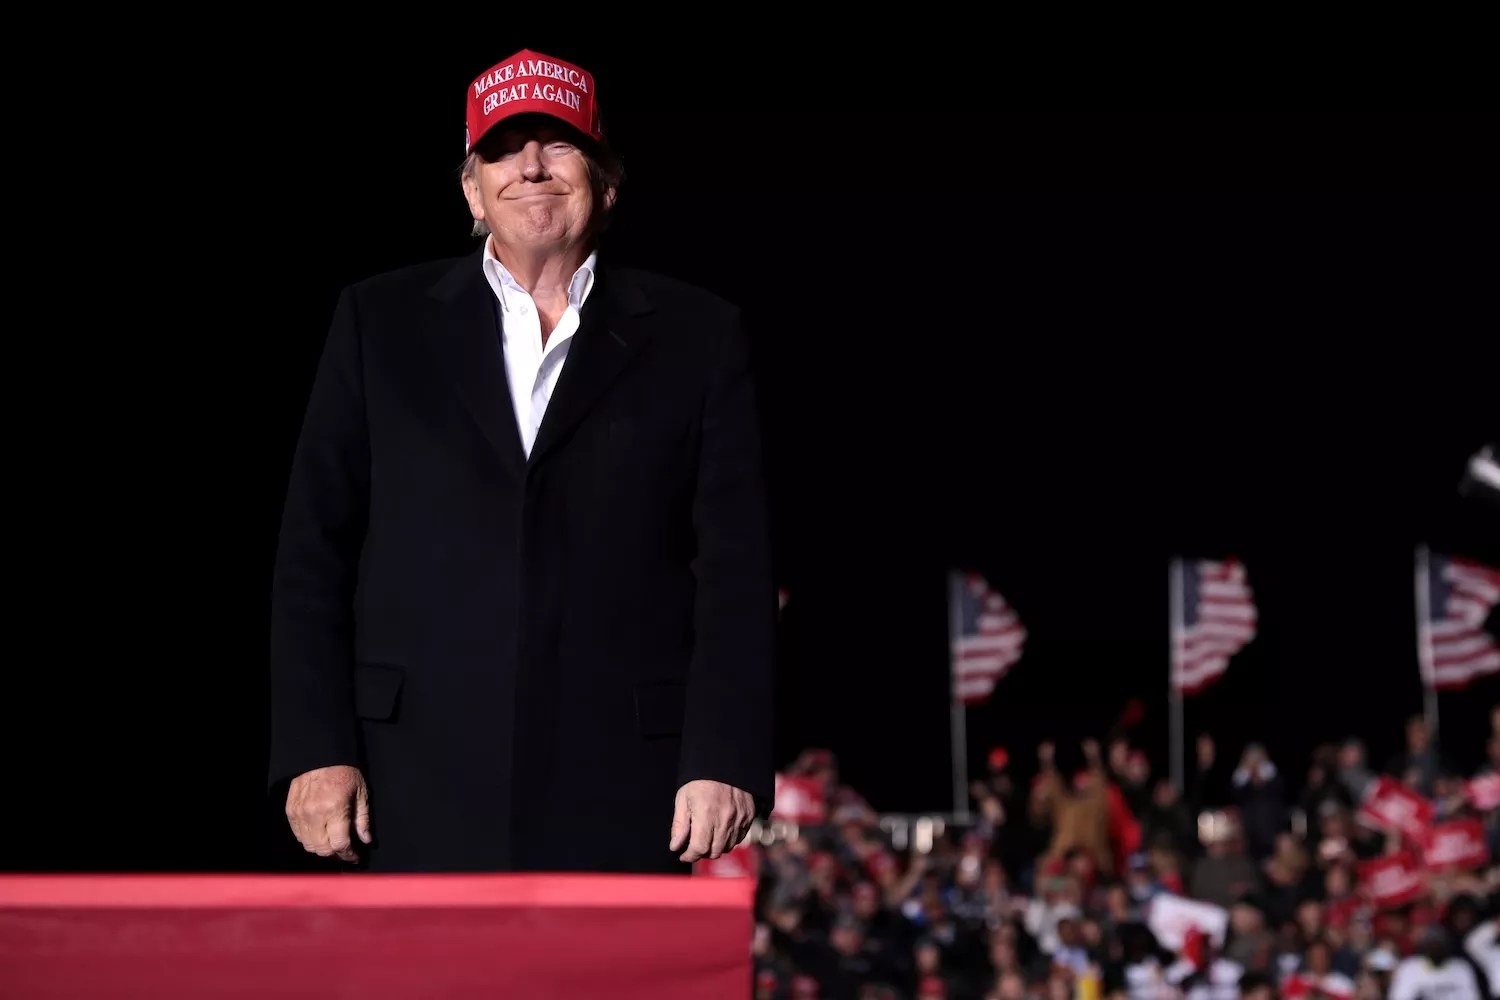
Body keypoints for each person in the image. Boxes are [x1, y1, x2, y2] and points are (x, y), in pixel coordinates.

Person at [267, 47, 776, 873]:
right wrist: (313, 745)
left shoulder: (699, 336)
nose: (532, 166)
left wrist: (722, 753)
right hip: (406, 782)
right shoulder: (378, 324)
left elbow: (736, 572)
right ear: (472, 189)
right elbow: (311, 556)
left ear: (606, 182)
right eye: (504, 149)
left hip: (629, 785)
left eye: (559, 144)